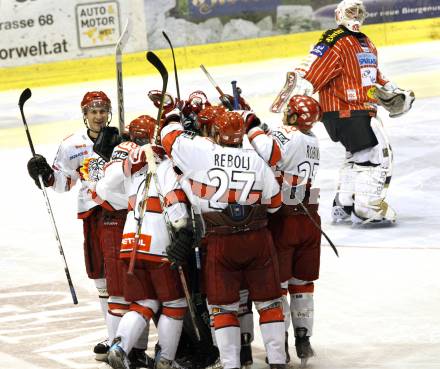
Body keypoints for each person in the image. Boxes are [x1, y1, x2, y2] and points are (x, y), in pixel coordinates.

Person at [161, 110, 287, 369]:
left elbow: (168, 137)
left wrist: (173, 113)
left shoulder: (202, 152)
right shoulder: (256, 159)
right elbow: (275, 204)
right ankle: (278, 362)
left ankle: (231, 364)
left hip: (220, 242)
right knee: (269, 303)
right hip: (258, 240)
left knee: (223, 308)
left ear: (216, 133)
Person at [283, 0, 414, 225]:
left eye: (358, 12)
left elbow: (373, 74)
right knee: (376, 157)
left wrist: (391, 89)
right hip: (344, 111)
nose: (355, 15)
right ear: (339, 15)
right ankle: (367, 207)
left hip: (359, 112)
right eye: (350, 11)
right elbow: (313, 66)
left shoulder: (366, 43)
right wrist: (300, 88)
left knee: (356, 157)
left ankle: (344, 204)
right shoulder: (335, 40)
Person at [26, 91, 121, 360]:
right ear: (85, 115)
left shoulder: (120, 137)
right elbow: (62, 183)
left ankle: (130, 337)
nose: (99, 116)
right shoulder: (72, 145)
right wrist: (43, 173)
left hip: (123, 212)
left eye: (103, 111)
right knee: (101, 277)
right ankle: (115, 336)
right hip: (93, 215)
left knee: (128, 275)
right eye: (93, 112)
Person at [246, 95, 322, 367]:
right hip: (311, 215)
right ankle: (304, 338)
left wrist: (250, 124)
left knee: (277, 287)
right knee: (302, 284)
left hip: (284, 218)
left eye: (290, 111)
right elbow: (280, 145)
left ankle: (283, 342)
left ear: (294, 117)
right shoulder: (312, 139)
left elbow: (269, 152)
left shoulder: (289, 134)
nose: (286, 113)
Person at [107, 123, 192, 369]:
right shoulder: (166, 166)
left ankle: (119, 347)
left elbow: (107, 189)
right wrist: (183, 228)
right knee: (175, 303)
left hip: (131, 242)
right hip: (159, 244)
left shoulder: (132, 171)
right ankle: (165, 360)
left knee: (145, 300)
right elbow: (174, 200)